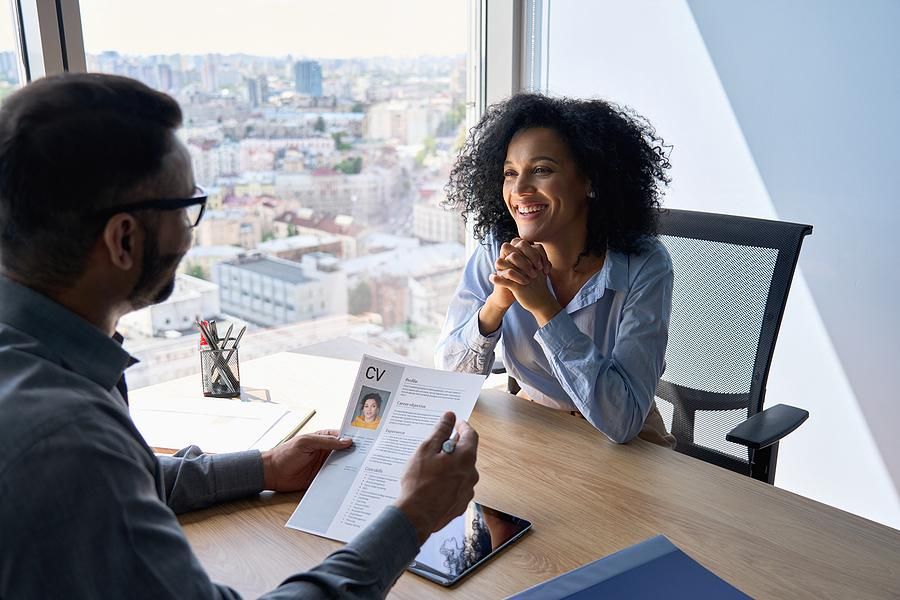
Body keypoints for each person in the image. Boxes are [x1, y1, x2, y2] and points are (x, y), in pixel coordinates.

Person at [0, 73, 479, 599]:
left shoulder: (33, 363)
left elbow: (118, 484)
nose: (190, 233)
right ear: (124, 240)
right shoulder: (65, 441)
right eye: (186, 209)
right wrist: (412, 518)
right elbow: (91, 475)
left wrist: (264, 467)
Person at [436, 93, 675, 448]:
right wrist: (497, 304)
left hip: (627, 443)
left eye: (542, 170)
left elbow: (623, 419)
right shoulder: (496, 247)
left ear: (590, 181)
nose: (519, 190)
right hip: (535, 425)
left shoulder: (644, 265)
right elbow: (449, 380)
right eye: (510, 173)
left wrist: (544, 308)